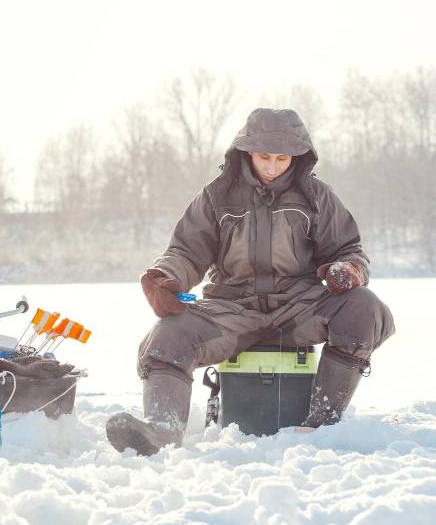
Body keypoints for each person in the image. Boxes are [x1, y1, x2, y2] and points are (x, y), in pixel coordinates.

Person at [106, 108, 396, 456]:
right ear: (245, 152)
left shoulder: (317, 197)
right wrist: (164, 277)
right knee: (167, 334)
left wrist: (347, 270)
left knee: (365, 308)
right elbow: (185, 251)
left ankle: (322, 423)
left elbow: (349, 249)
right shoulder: (216, 196)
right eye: (264, 157)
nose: (273, 167)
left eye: (282, 158)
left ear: (298, 157)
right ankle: (162, 433)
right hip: (231, 311)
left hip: (298, 310)